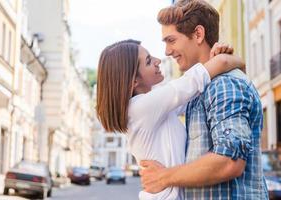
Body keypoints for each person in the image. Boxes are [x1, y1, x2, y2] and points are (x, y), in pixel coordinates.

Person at [139, 0, 269, 199]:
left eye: (171, 40)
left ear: (198, 34)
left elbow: (230, 161)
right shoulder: (200, 91)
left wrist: (163, 177)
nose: (166, 51)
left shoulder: (223, 84)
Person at [96, 39, 244, 200]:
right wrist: (237, 62)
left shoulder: (151, 107)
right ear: (134, 81)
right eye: (148, 61)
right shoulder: (143, 107)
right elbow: (199, 77)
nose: (157, 61)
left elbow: (195, 96)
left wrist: (213, 59)